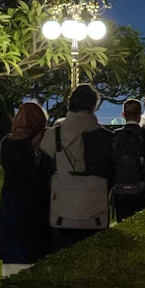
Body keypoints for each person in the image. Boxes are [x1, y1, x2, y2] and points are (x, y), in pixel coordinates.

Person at [40, 84, 115, 251]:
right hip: (95, 213)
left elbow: (45, 172)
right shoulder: (106, 138)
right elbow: (111, 174)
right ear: (94, 106)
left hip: (61, 212)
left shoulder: (53, 135)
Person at [0, 102, 52, 278]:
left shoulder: (7, 143)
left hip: (12, 209)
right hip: (38, 209)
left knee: (13, 268)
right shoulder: (43, 143)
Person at [111, 99, 145, 221]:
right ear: (140, 115)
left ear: (123, 115)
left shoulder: (115, 135)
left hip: (120, 188)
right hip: (142, 188)